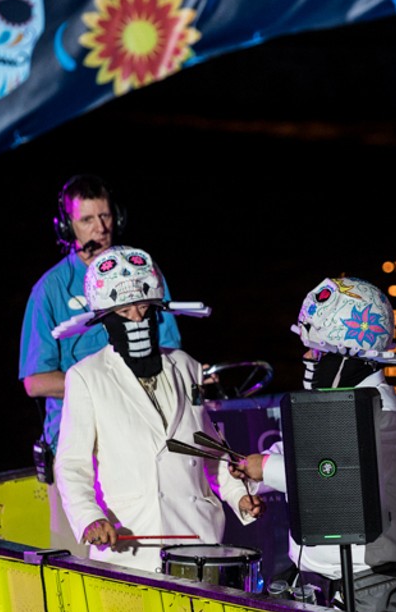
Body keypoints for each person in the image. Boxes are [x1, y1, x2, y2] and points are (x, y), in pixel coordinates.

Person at [229, 276, 396, 612]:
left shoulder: (384, 414)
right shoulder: (337, 404)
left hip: (367, 585)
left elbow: (339, 476)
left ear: (348, 355)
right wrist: (251, 471)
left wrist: (268, 467)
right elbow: (296, 451)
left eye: (316, 350)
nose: (307, 357)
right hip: (317, 582)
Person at [53, 247, 257, 571]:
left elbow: (207, 448)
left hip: (197, 541)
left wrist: (237, 495)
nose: (136, 316)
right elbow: (71, 465)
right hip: (131, 548)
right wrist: (90, 518)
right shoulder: (86, 378)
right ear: (105, 317)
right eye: (124, 309)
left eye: (143, 305)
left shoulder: (186, 365)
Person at [19, 174, 181, 555]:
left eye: (105, 216)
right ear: (67, 226)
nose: (100, 228)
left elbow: (170, 353)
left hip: (140, 440)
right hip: (77, 445)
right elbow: (36, 382)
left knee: (151, 554)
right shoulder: (50, 289)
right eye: (87, 219)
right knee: (78, 558)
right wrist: (105, 385)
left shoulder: (145, 274)